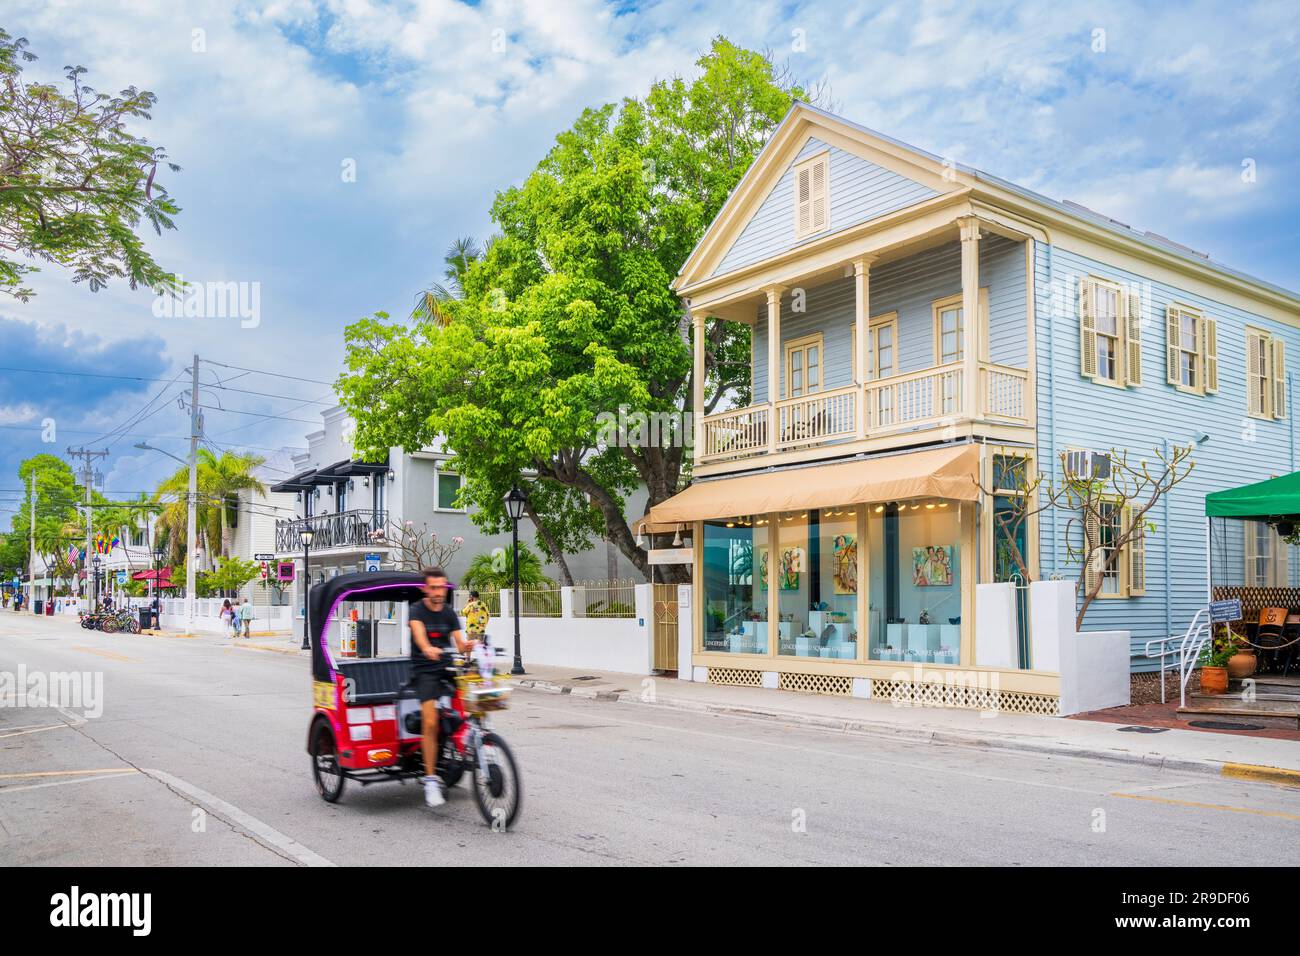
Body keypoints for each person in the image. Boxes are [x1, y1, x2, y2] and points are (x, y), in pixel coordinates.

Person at [408, 567, 474, 808]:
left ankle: (478, 741)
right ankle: (431, 779)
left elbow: (459, 642)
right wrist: (427, 648)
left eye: (442, 588)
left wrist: (468, 645)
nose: (438, 593)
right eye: (433, 588)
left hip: (447, 667)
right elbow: (419, 635)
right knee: (430, 722)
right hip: (425, 669)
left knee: (476, 700)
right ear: (425, 588)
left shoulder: (448, 612)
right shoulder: (416, 610)